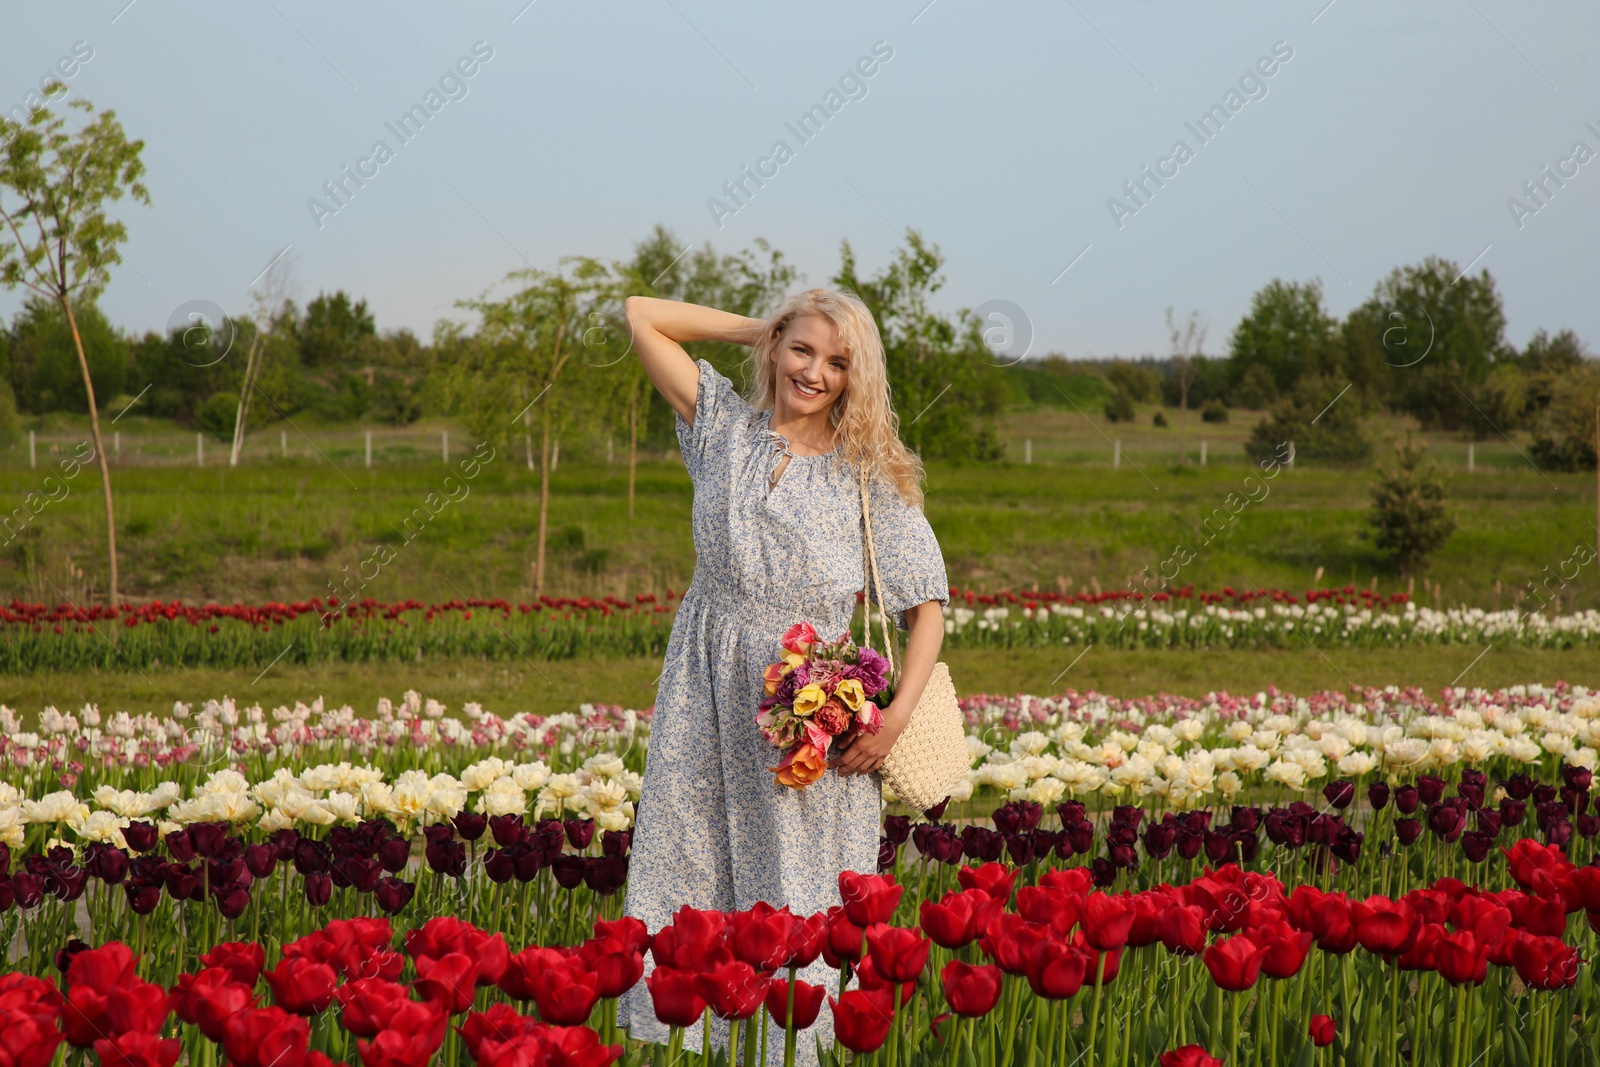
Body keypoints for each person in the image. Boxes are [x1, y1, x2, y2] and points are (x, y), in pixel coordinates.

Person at [616, 288, 950, 1065]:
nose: (816, 372)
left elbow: (925, 610)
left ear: (856, 377)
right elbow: (641, 313)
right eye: (802, 350)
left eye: (839, 361)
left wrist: (892, 718)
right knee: (688, 866)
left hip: (808, 716)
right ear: (774, 348)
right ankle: (694, 1046)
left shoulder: (866, 474)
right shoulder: (723, 429)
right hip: (704, 690)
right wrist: (766, 325)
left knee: (794, 897)